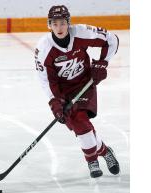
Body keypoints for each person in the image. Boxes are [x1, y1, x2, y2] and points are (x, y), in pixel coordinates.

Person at [34, 5, 120, 178]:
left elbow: (112, 40)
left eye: (63, 23)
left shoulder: (81, 32)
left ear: (69, 23)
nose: (59, 28)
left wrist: (103, 62)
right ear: (49, 25)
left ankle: (92, 160)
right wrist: (54, 101)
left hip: (84, 84)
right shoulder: (44, 48)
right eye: (55, 23)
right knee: (79, 126)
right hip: (63, 91)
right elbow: (46, 80)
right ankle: (104, 151)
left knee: (80, 120)